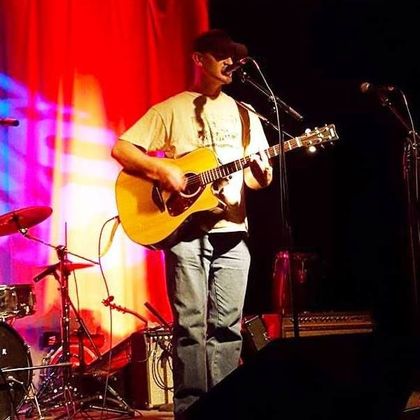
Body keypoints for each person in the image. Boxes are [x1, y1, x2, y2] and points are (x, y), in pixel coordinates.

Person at [111, 29, 273, 419]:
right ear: (199, 60)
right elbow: (121, 148)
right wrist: (162, 169)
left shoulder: (246, 114)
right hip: (186, 232)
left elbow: (255, 179)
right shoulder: (171, 110)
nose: (230, 63)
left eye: (234, 57)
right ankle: (193, 410)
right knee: (192, 327)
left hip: (234, 230)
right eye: (221, 56)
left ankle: (225, 407)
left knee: (229, 327)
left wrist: (263, 172)